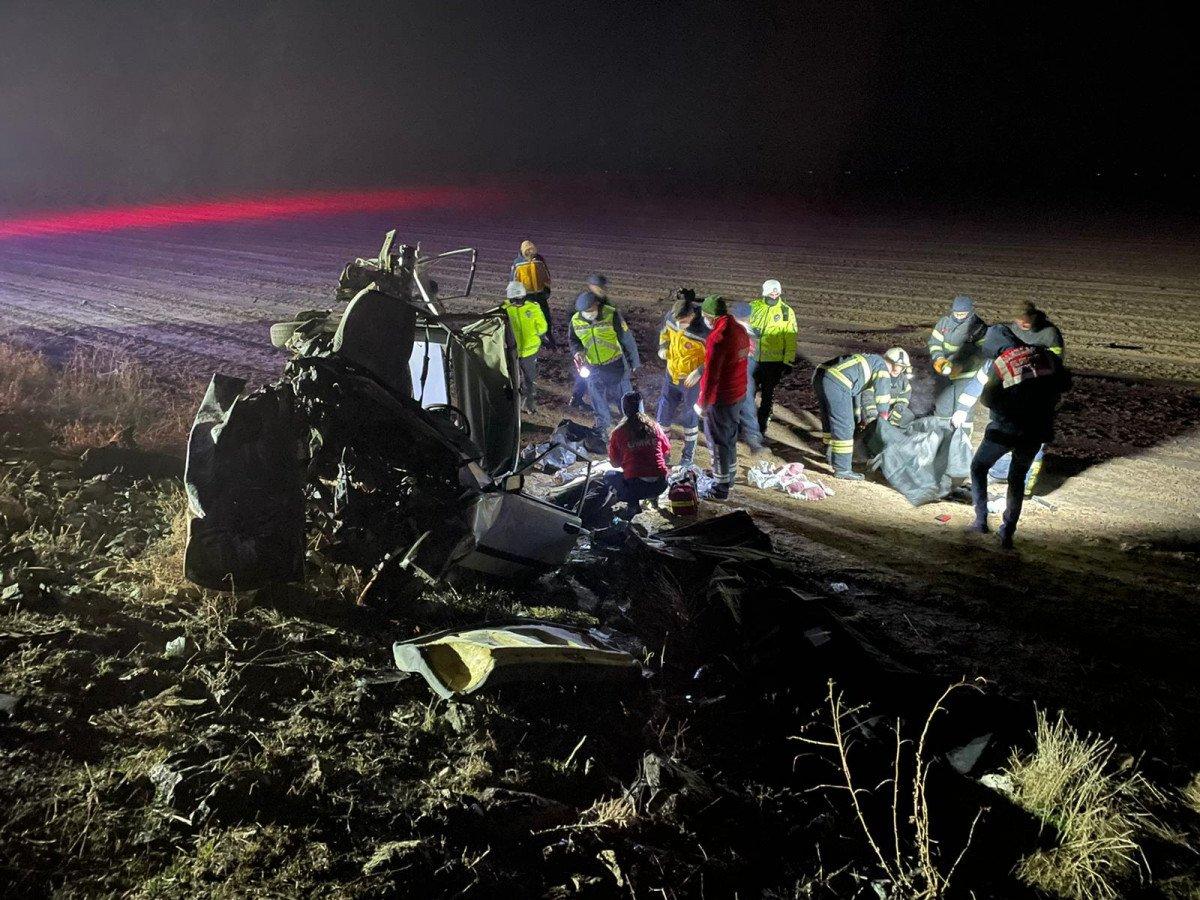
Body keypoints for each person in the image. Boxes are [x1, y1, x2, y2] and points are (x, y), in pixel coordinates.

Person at [951, 325, 1070, 549]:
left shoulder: (1001, 363)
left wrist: (1003, 409)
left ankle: (981, 521)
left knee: (978, 467)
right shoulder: (1042, 355)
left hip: (1006, 429)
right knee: (1017, 479)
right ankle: (1007, 534)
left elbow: (987, 398)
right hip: (1037, 430)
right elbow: (1065, 383)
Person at [988, 301, 1065, 494]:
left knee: (1033, 436)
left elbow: (1055, 365)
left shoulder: (1049, 334)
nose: (1023, 322)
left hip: (1038, 393)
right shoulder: (1010, 331)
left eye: (1027, 318)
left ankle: (1025, 484)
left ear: (1034, 315)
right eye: (1018, 319)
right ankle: (1000, 473)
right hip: (1014, 392)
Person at [812, 349, 910, 480]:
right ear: (891, 363)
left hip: (822, 376)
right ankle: (842, 469)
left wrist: (857, 417)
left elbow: (856, 395)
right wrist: (883, 422)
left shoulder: (871, 360)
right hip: (839, 383)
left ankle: (830, 454)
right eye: (899, 366)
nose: (899, 370)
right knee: (845, 426)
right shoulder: (882, 369)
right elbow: (883, 397)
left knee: (832, 420)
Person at [569, 275, 640, 435]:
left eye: (590, 310)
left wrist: (634, 361)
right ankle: (602, 429)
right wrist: (577, 352)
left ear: (596, 304)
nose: (588, 314)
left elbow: (627, 339)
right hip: (592, 366)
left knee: (625, 401)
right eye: (584, 312)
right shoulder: (575, 320)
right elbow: (573, 340)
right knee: (597, 400)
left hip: (615, 365)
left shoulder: (611, 314)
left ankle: (632, 429)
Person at [697, 295, 751, 500]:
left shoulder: (718, 338)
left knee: (717, 441)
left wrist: (703, 402)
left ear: (710, 316)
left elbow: (711, 375)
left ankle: (720, 487)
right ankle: (729, 475)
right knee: (729, 436)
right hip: (738, 394)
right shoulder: (739, 330)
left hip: (721, 398)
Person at [655, 289, 708, 468]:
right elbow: (664, 333)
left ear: (692, 315)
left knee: (689, 417)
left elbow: (716, 356)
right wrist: (663, 347)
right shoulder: (672, 317)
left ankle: (688, 455)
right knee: (663, 415)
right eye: (677, 322)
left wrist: (700, 371)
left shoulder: (705, 330)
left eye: (683, 322)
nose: (680, 325)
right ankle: (664, 451)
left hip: (692, 381)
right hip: (672, 375)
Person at [603, 391, 670, 511]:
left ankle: (633, 506)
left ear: (624, 409)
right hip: (661, 484)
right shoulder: (655, 427)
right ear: (641, 406)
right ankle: (653, 500)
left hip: (636, 487)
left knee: (608, 476)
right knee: (645, 476)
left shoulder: (618, 432)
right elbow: (666, 452)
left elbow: (615, 463)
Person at [928, 295, 988, 424]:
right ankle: (942, 436)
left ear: (970, 311)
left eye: (963, 314)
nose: (959, 316)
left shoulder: (978, 327)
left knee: (963, 410)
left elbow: (981, 354)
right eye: (956, 313)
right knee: (943, 407)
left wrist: (961, 366)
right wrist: (939, 359)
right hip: (945, 373)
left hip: (966, 375)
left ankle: (962, 439)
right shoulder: (944, 323)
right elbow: (934, 343)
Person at [748, 279, 798, 435]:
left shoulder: (786, 311)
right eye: (771, 290)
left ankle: (761, 427)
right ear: (764, 291)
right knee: (748, 395)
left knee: (767, 397)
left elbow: (790, 338)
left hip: (773, 364)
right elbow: (742, 327)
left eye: (777, 291)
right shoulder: (753, 306)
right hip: (752, 359)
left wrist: (788, 361)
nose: (774, 293)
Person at [502, 280, 548, 414]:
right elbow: (542, 328)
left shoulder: (506, 309)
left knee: (515, 378)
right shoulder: (530, 308)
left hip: (517, 350)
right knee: (528, 379)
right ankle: (527, 404)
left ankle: (519, 404)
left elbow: (542, 327)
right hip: (519, 350)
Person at [730, 302, 765, 453]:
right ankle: (753, 441)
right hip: (743, 375)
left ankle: (733, 439)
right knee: (747, 408)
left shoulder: (729, 330)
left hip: (734, 374)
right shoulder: (750, 332)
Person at [512, 240, 556, 348]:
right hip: (526, 297)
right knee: (529, 318)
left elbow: (546, 276)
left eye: (532, 250)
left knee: (545, 317)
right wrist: (515, 297)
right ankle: (532, 339)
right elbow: (514, 280)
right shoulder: (518, 263)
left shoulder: (539, 261)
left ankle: (548, 336)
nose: (530, 252)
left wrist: (546, 289)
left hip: (540, 294)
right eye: (528, 250)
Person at [861, 347, 913, 427]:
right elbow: (867, 397)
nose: (897, 369)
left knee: (908, 415)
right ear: (887, 363)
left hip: (888, 410)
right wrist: (872, 418)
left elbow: (902, 402)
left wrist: (894, 420)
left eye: (901, 366)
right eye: (894, 365)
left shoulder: (904, 383)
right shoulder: (877, 375)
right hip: (872, 408)